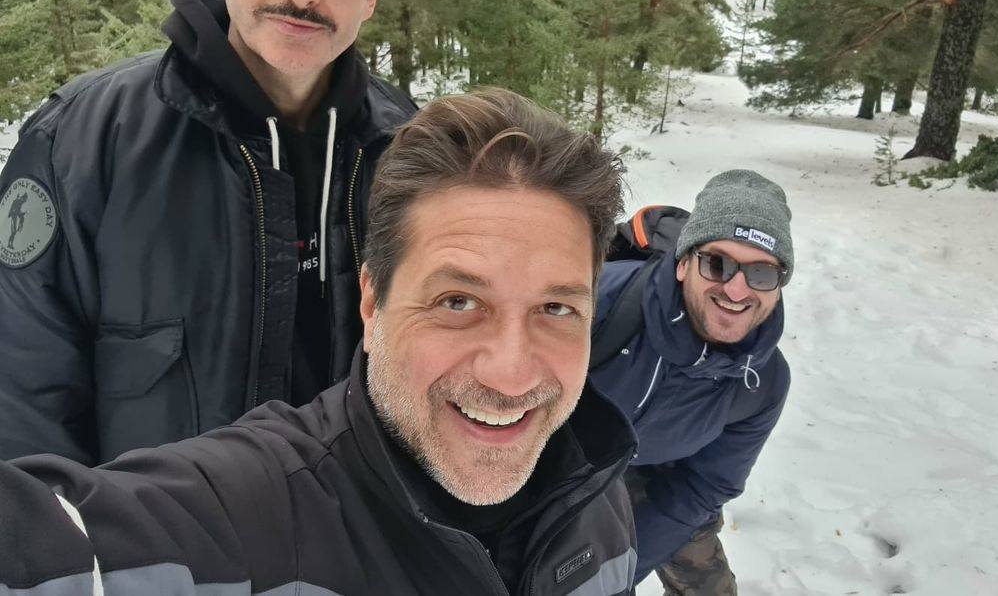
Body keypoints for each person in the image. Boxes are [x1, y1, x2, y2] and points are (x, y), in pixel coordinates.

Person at [0, 88, 638, 596]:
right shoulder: (246, 518)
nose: (510, 373)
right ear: (371, 300)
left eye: (556, 308)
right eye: (458, 302)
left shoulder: (597, 498)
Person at [0, 0, 417, 465]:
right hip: (153, 556)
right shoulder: (81, 143)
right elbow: (22, 411)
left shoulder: (409, 152)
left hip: (359, 552)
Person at [590, 170, 794, 595]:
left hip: (659, 481)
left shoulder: (762, 383)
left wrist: (616, 574)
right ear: (683, 263)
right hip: (555, 461)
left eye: (762, 273)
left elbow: (706, 485)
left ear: (779, 287)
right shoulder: (598, 302)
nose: (737, 290)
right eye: (717, 263)